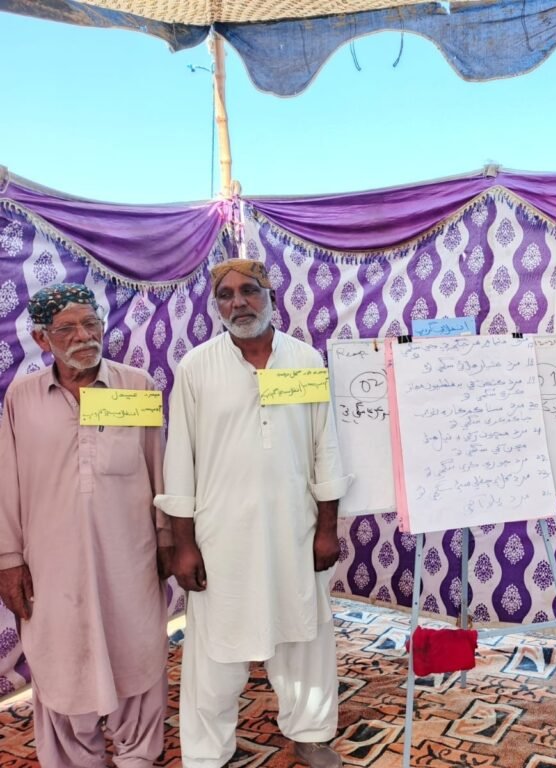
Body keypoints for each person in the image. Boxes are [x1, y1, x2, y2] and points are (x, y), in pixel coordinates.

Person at [155, 259, 349, 768]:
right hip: (223, 537)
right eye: (225, 295)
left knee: (304, 635)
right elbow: (181, 459)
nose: (238, 302)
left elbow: (324, 449)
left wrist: (327, 529)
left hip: (294, 530)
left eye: (249, 291)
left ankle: (309, 732)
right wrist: (184, 543)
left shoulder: (306, 361)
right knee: (215, 650)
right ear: (215, 306)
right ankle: (205, 752)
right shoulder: (196, 367)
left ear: (271, 294)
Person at [0, 283, 172, 767]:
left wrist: (165, 536)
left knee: (136, 646)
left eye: (91, 324)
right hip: (52, 563)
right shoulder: (23, 396)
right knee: (61, 651)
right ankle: (76, 757)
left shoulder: (136, 385)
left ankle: (138, 751)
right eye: (67, 328)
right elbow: (7, 482)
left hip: (129, 555)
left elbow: (158, 465)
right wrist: (8, 561)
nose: (83, 336)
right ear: (41, 339)